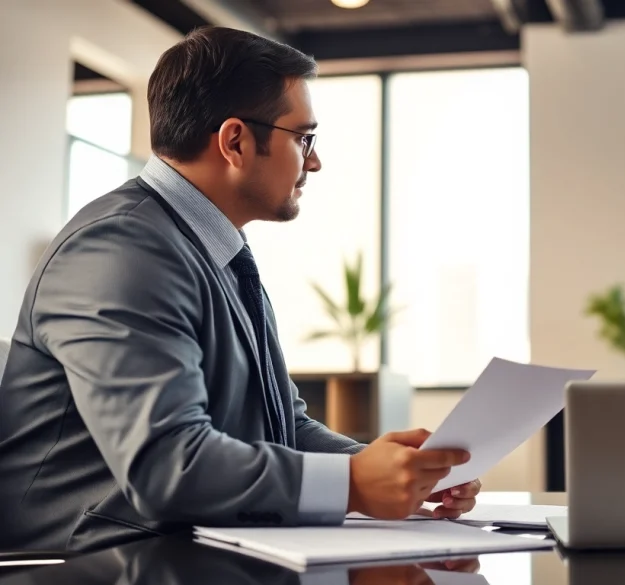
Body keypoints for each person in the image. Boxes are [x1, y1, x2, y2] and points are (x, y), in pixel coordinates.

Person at [0, 26, 480, 552]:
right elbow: (168, 467)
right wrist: (354, 485)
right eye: (304, 138)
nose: (314, 162)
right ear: (235, 141)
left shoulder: (213, 250)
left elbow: (282, 427)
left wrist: (396, 471)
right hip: (82, 564)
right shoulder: (120, 250)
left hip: (178, 551)